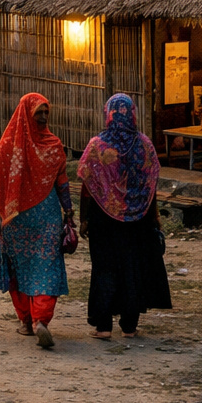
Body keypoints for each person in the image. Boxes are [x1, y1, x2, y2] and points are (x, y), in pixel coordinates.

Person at [77, 94, 172, 339]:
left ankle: (104, 326)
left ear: (109, 114)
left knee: (105, 269)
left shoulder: (98, 146)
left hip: (103, 219)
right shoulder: (145, 145)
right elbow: (152, 185)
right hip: (138, 219)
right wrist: (155, 217)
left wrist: (84, 219)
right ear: (133, 114)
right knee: (132, 269)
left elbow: (87, 185)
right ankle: (129, 326)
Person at [0, 93, 74, 349]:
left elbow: (61, 182)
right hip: (37, 219)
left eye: (47, 112)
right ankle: (37, 320)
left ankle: (30, 321)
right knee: (43, 266)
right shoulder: (28, 147)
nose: (44, 117)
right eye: (39, 113)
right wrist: (67, 212)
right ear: (27, 115)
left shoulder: (16, 146)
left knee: (23, 267)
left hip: (24, 220)